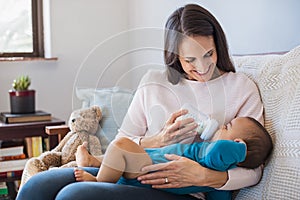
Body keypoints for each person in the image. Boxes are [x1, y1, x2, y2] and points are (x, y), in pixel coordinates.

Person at [16, 4, 264, 200]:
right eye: (190, 60)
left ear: (217, 44)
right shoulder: (153, 83)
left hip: (186, 190)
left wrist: (204, 177)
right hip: (133, 172)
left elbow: (254, 167)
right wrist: (159, 140)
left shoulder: (240, 88)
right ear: (174, 56)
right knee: (40, 183)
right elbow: (120, 142)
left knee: (73, 195)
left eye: (209, 54)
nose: (202, 68)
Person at [74, 117, 273, 200]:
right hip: (152, 160)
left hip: (151, 170)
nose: (221, 126)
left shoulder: (215, 157)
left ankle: (99, 180)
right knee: (124, 151)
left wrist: (240, 149)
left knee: (122, 146)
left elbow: (223, 151)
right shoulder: (212, 164)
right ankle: (95, 162)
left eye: (227, 126)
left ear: (237, 144)